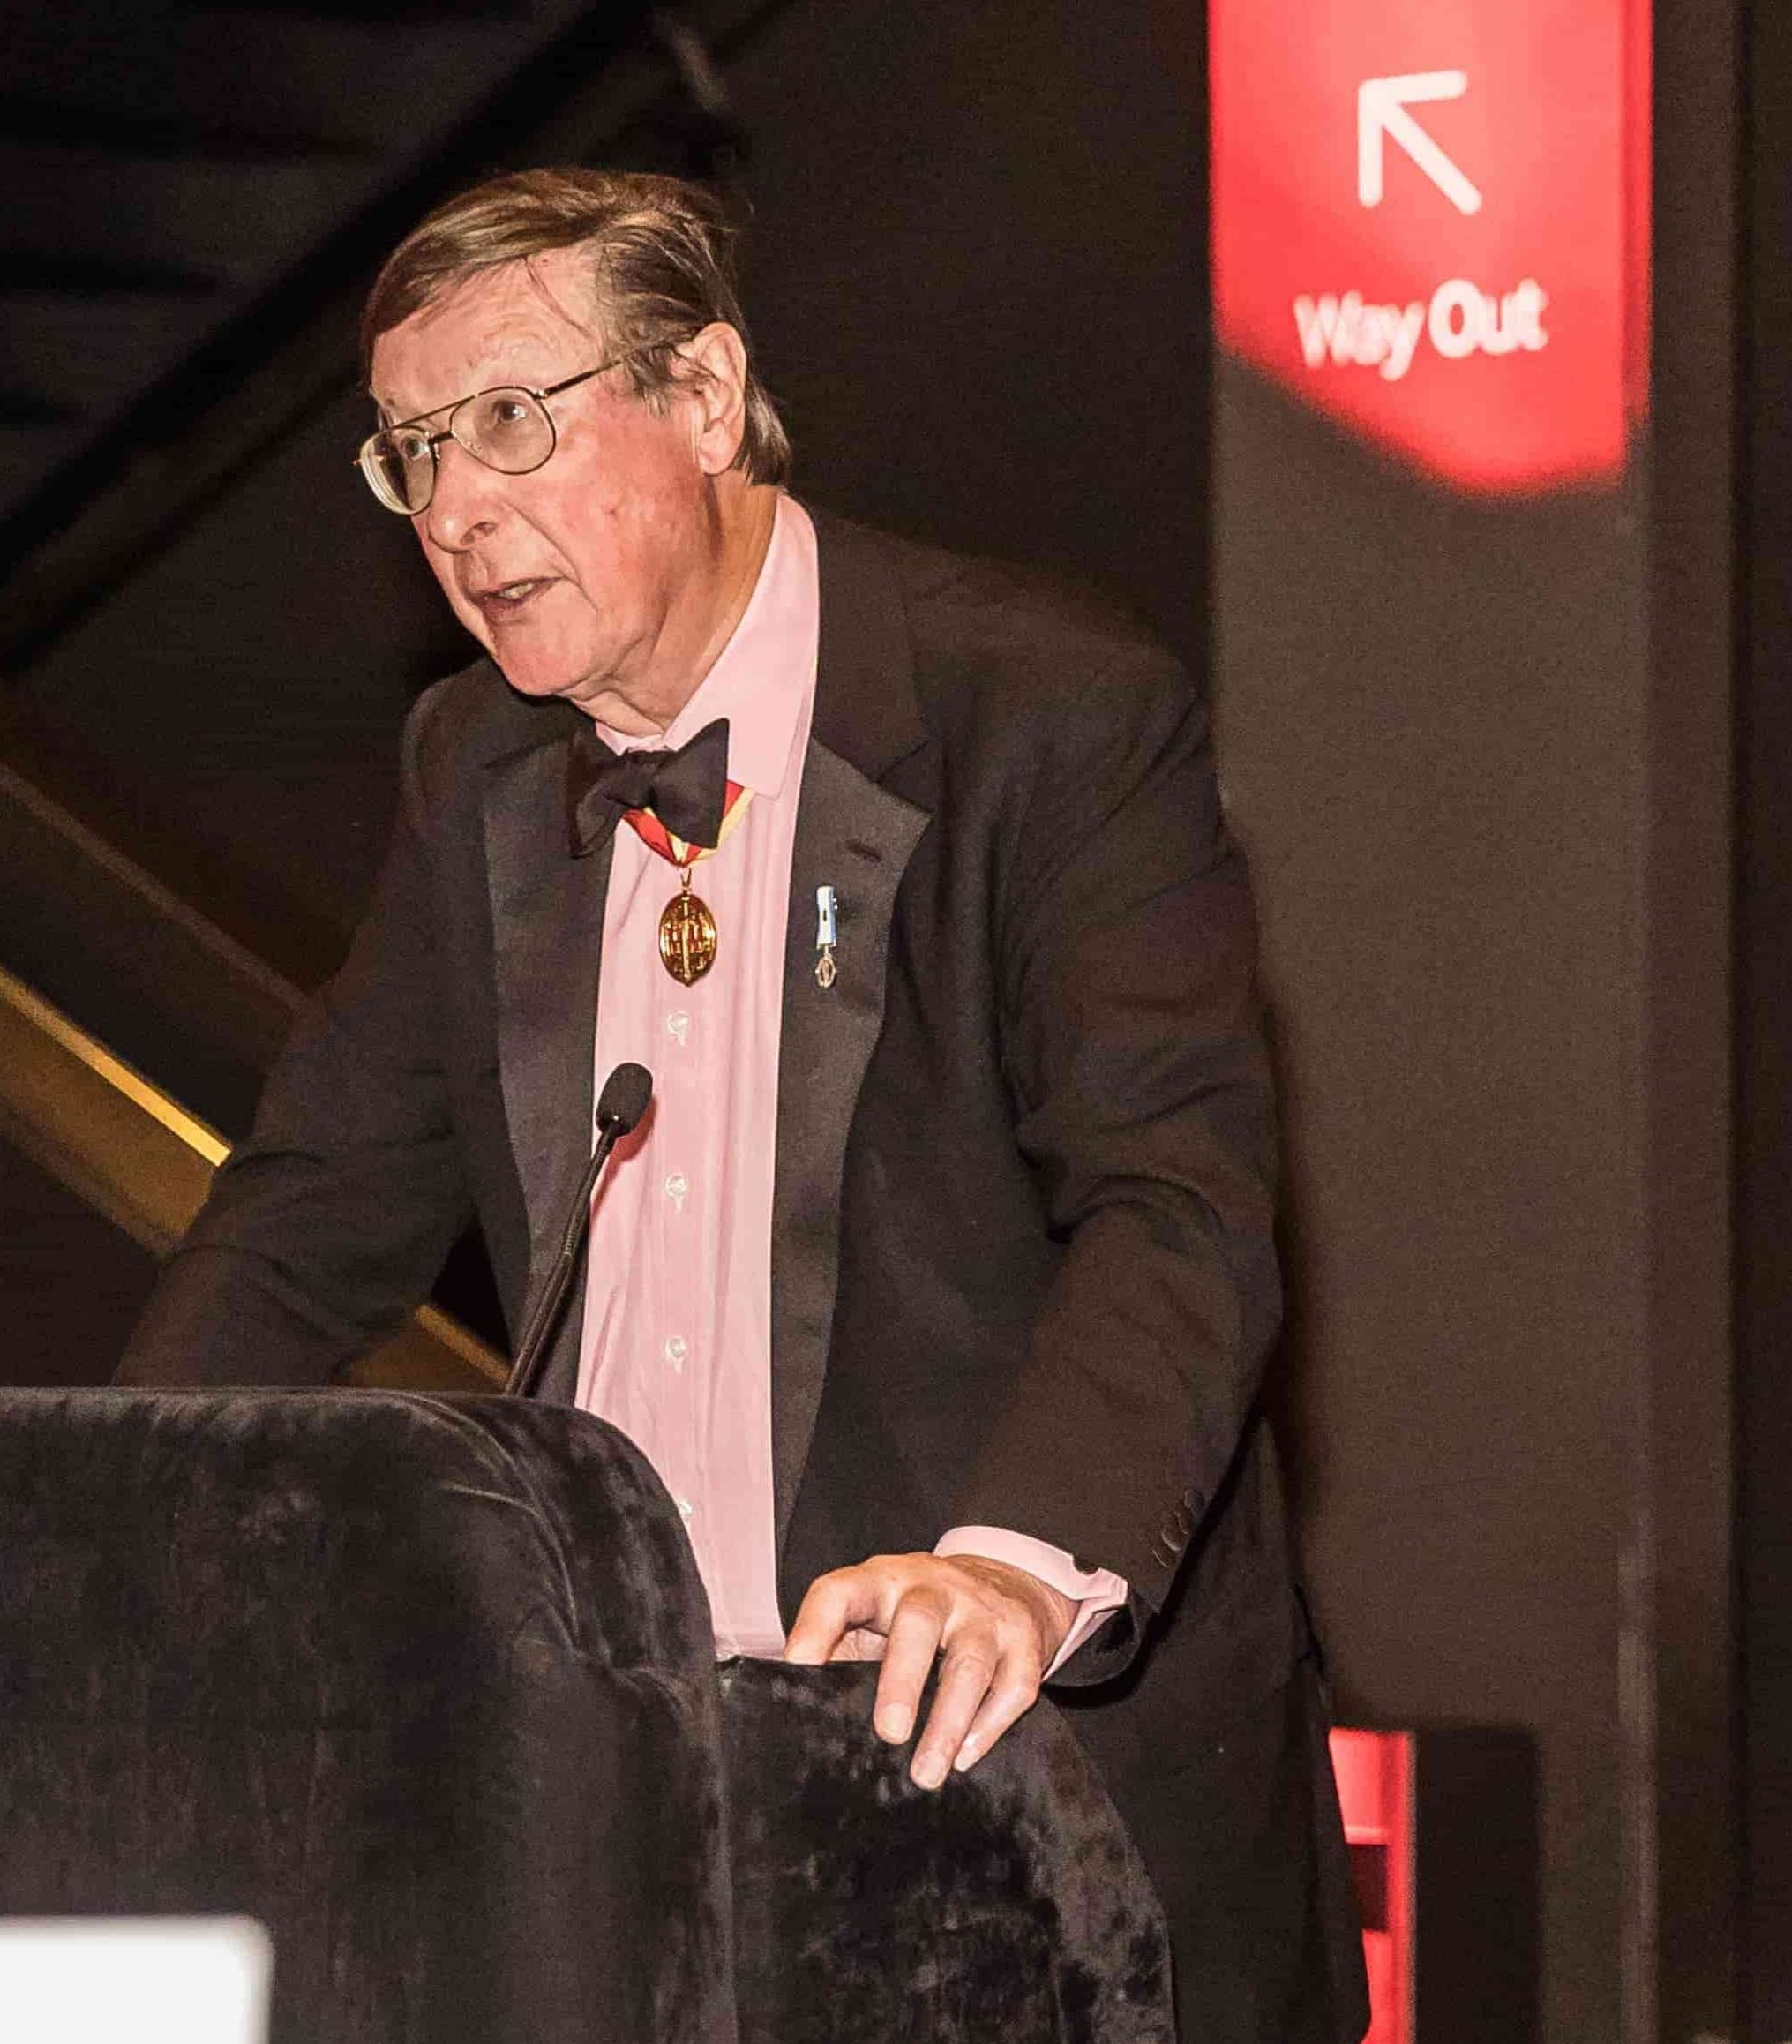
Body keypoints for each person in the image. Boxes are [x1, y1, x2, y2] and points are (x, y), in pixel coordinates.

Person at [116, 166, 1359, 2044]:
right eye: (411, 453)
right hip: (616, 1810)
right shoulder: (479, 763)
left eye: (513, 422)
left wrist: (1009, 1571)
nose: (457, 509)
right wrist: (100, 1518)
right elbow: (308, 1215)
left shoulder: (1048, 710)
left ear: (702, 397)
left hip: (1009, 1802)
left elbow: (1174, 1207)